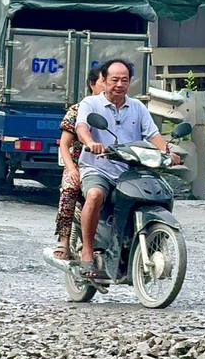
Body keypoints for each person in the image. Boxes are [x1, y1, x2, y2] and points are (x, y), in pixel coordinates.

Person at [74, 58, 179, 278]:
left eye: (124, 80)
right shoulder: (90, 104)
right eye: (114, 79)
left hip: (128, 171)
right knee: (94, 195)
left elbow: (153, 135)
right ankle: (87, 251)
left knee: (155, 193)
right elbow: (82, 127)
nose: (119, 84)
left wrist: (168, 153)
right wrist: (90, 142)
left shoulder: (138, 107)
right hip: (99, 168)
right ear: (103, 80)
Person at [52, 65, 107, 261]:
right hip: (79, 164)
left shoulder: (116, 109)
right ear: (93, 85)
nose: (109, 86)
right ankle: (64, 239)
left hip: (108, 166)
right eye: (104, 82)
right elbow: (64, 145)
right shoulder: (77, 110)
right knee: (70, 188)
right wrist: (71, 169)